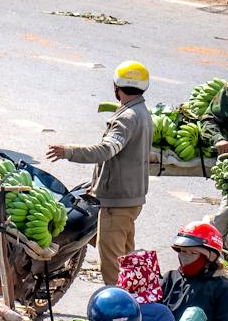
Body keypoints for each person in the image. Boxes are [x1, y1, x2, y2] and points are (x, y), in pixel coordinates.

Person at [45, 60, 152, 286]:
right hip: (131, 198)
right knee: (126, 257)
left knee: (111, 262)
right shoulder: (141, 112)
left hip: (118, 202)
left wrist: (69, 151)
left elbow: (107, 150)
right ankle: (136, 299)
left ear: (116, 87)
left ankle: (117, 308)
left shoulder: (127, 117)